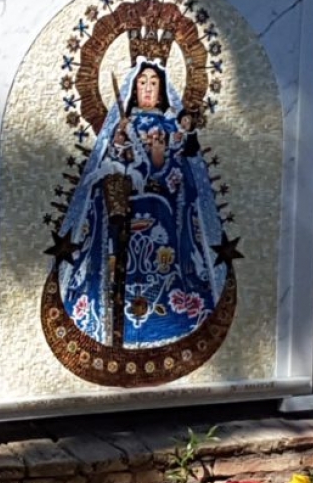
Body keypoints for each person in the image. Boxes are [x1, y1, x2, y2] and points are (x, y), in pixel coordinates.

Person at [57, 57, 226, 349]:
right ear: (134, 88)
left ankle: (171, 317)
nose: (148, 88)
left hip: (161, 211)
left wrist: (160, 160)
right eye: (142, 83)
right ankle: (110, 317)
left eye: (154, 83)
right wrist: (120, 142)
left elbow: (180, 175)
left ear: (162, 90)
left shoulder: (171, 127)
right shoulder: (123, 124)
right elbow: (106, 165)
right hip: (122, 210)